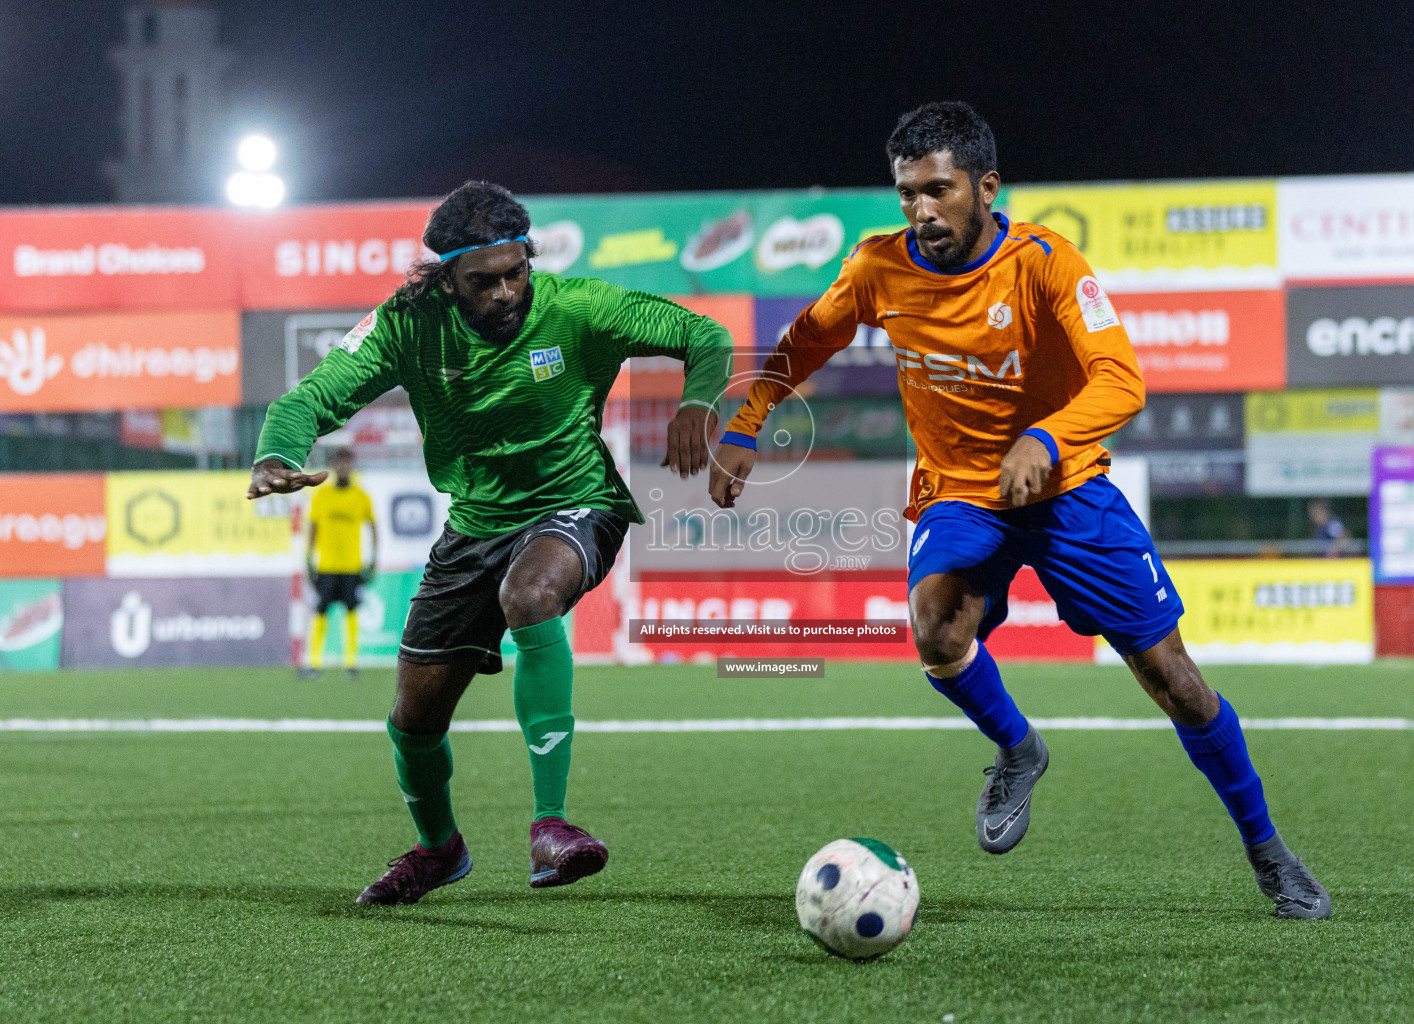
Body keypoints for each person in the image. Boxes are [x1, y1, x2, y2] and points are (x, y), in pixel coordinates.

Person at [709, 103, 1329, 919]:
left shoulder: (1047, 263)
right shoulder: (876, 268)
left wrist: (1048, 435)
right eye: (905, 194)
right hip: (962, 494)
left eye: (938, 190)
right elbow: (804, 340)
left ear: (985, 187)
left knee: (1174, 681)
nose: (921, 210)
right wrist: (748, 421)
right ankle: (1017, 748)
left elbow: (1121, 379)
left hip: (1068, 489)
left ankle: (1269, 852)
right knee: (935, 629)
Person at [248, 180, 731, 905]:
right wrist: (277, 452)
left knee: (531, 595)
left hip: (577, 504)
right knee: (413, 722)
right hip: (474, 525)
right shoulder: (407, 325)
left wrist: (697, 401)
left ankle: (551, 825)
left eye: (517, 272)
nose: (506, 293)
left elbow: (706, 334)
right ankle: (438, 850)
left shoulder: (579, 307)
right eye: (484, 281)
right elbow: (309, 398)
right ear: (445, 280)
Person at [301, 447, 376, 679]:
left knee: (351, 611)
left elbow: (373, 528)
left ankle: (351, 663)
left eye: (347, 463)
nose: (343, 467)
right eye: (339, 463)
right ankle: (314, 663)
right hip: (326, 566)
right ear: (334, 466)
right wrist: (308, 559)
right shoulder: (322, 496)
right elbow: (312, 529)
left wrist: (373, 561)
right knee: (320, 611)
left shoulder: (361, 496)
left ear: (351, 466)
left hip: (352, 566)